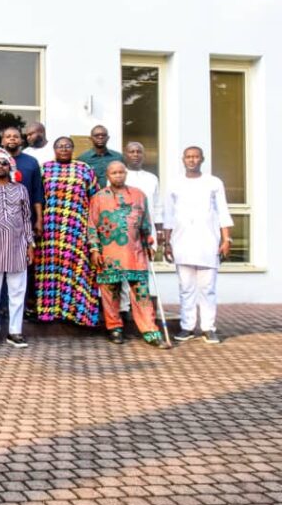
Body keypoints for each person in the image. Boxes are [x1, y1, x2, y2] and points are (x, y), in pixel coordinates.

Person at [88, 161, 168, 349]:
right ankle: (114, 328)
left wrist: (149, 241)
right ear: (108, 175)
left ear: (126, 174)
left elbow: (145, 223)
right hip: (109, 254)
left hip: (135, 252)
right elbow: (92, 225)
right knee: (110, 293)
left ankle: (150, 331)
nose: (118, 176)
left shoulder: (139, 195)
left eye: (121, 172)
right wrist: (94, 249)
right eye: (114, 173)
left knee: (141, 294)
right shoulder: (98, 197)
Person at [163, 146, 233, 344]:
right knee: (186, 288)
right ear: (183, 159)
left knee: (207, 288)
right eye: (188, 157)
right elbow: (169, 215)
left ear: (202, 159)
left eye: (195, 157)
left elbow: (223, 212)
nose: (192, 160)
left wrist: (226, 239)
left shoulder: (214, 182)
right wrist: (167, 243)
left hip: (208, 242)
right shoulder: (174, 184)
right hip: (181, 242)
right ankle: (187, 327)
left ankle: (208, 328)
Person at [35, 137, 101, 327]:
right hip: (50, 228)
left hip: (77, 227)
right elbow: (37, 197)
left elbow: (95, 198)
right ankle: (50, 310)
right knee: (50, 269)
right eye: (60, 146)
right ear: (54, 149)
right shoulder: (45, 168)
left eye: (67, 146)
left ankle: (77, 312)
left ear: (73, 149)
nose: (64, 149)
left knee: (77, 268)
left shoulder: (84, 169)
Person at [0, 154, 33, 348]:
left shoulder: (21, 189)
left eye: (4, 163)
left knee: (17, 293)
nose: (1, 166)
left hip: (17, 247)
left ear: (10, 167)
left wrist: (30, 245)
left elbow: (26, 218)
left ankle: (15, 332)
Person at [118, 141, 162, 316]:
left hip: (146, 230)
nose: (135, 155)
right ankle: (123, 307)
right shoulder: (119, 175)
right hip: (123, 231)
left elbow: (157, 206)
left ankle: (141, 308)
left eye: (139, 152)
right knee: (123, 269)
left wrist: (159, 231)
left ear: (143, 155)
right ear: (125, 154)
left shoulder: (152, 178)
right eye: (132, 152)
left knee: (142, 269)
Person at [0, 127, 43, 234]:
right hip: (0, 219)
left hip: (26, 218)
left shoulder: (31, 162)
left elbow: (37, 192)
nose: (12, 139)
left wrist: (39, 220)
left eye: (16, 136)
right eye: (8, 136)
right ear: (2, 141)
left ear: (21, 141)